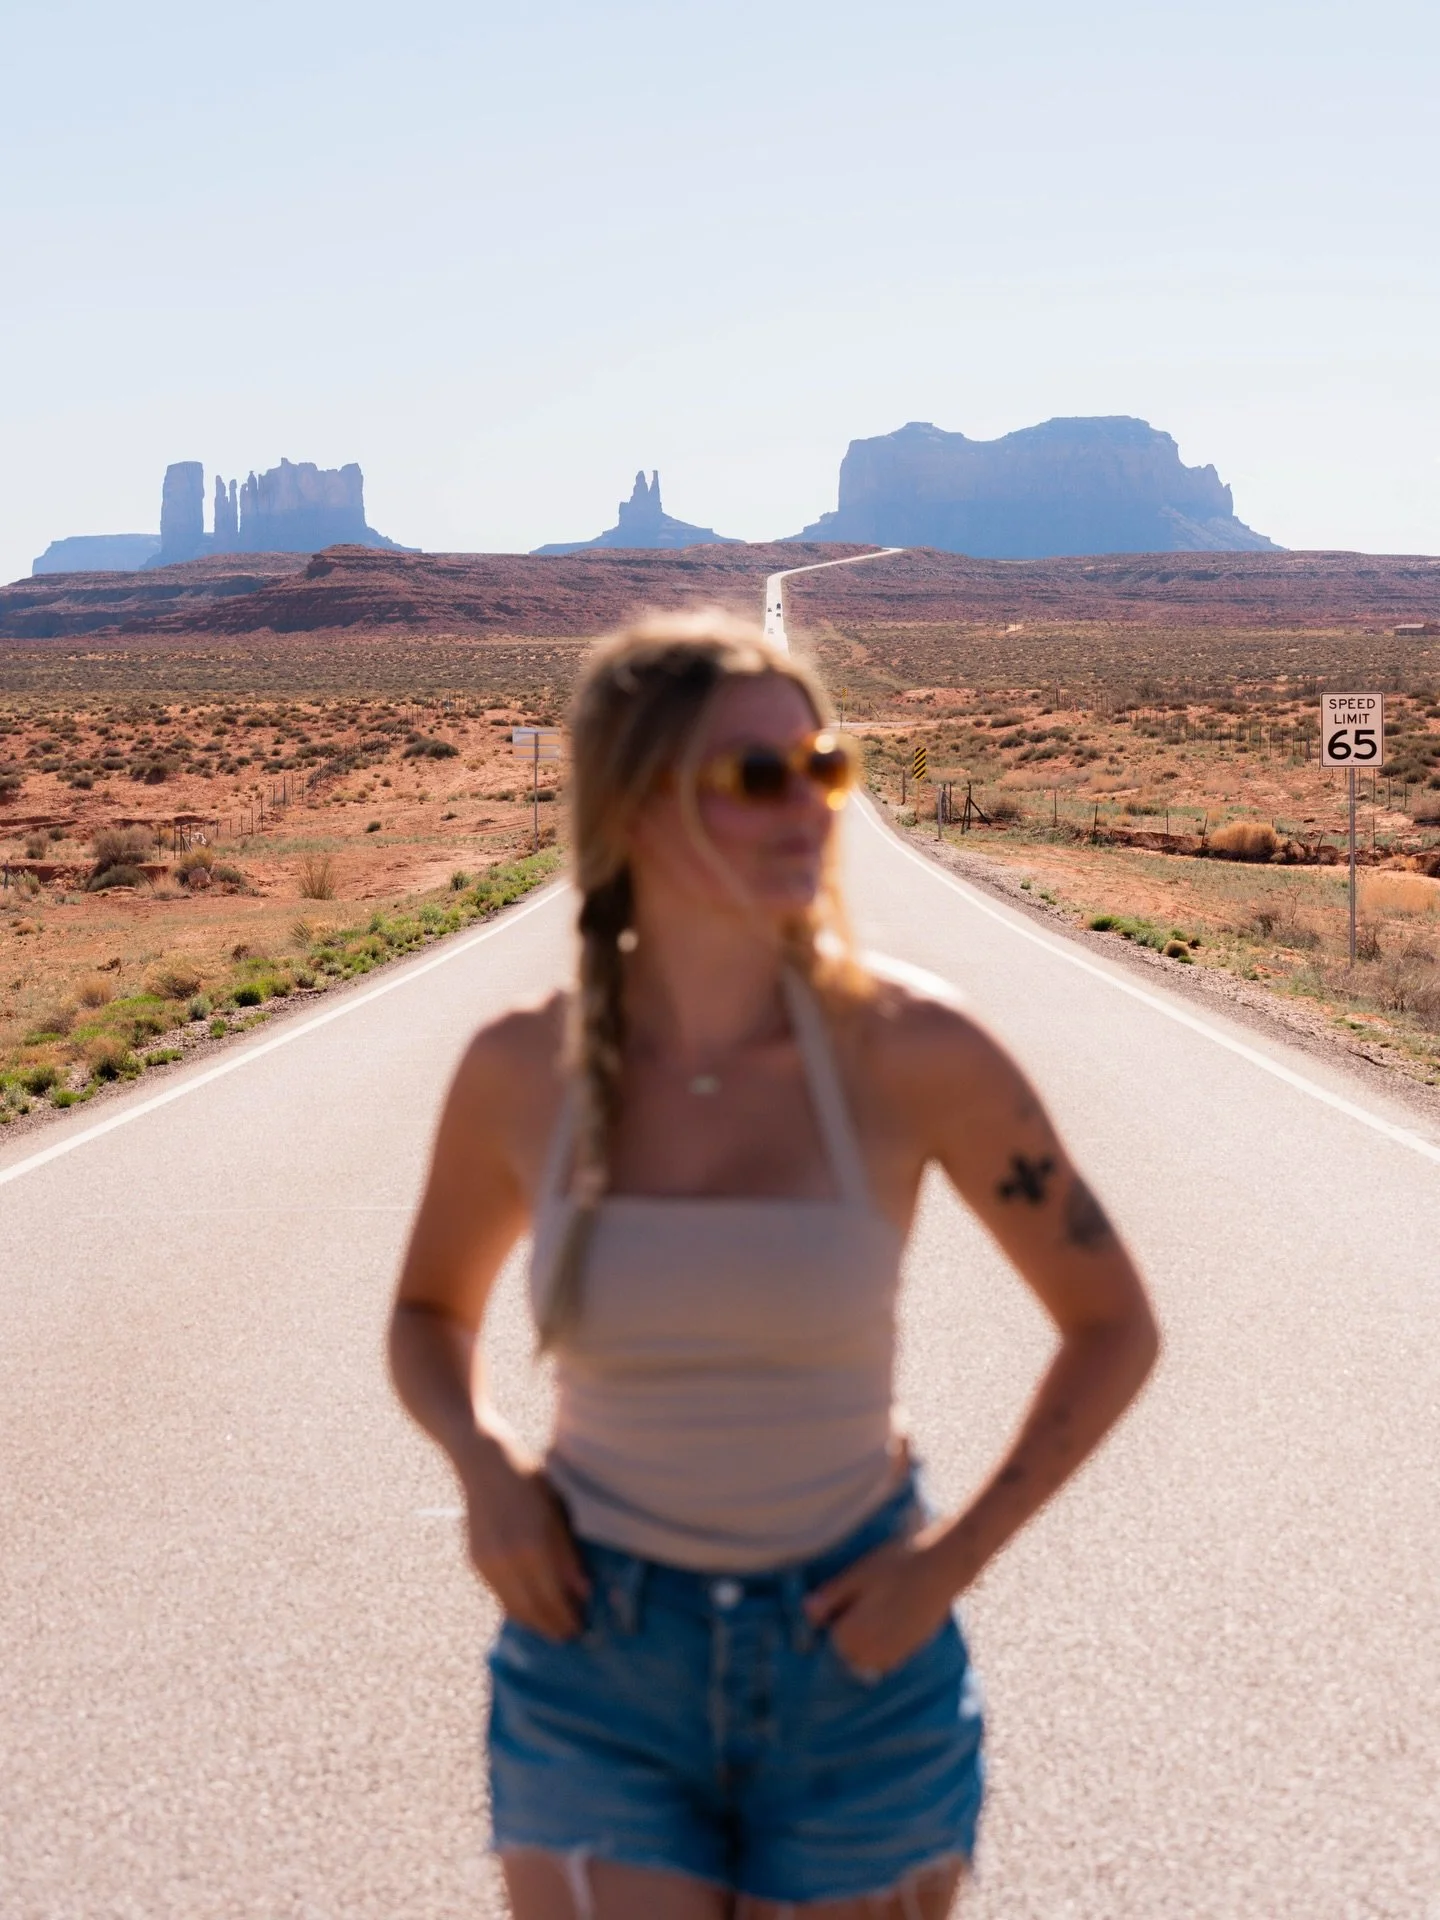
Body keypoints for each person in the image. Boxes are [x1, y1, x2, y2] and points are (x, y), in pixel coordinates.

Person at [389, 613, 1159, 1920]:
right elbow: (425, 1313)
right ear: (634, 806)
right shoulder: (522, 1071)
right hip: (595, 1657)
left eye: (825, 766)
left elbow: (1111, 1322)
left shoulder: (916, 1051)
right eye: (758, 776)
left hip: (857, 1664)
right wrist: (487, 1467)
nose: (807, 804)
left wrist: (949, 1563)